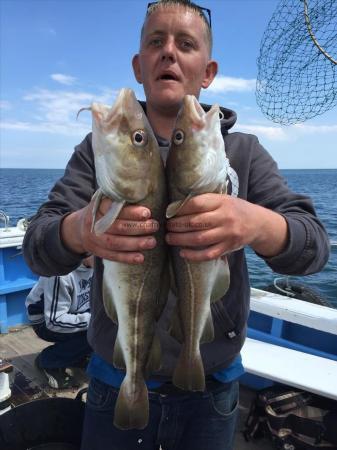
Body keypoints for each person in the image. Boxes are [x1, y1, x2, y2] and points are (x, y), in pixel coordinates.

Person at [22, 1, 330, 449]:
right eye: (155, 42)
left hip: (214, 381)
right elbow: (36, 246)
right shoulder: (98, 153)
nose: (168, 53)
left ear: (207, 71)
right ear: (138, 65)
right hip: (115, 376)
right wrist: (77, 231)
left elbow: (313, 248)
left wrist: (258, 224)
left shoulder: (242, 152)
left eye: (185, 44)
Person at [26, 256, 93, 389]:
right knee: (94, 334)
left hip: (74, 311)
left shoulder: (96, 266)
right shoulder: (61, 274)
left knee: (103, 329)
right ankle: (48, 361)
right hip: (44, 321)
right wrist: (93, 321)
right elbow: (54, 321)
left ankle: (75, 356)